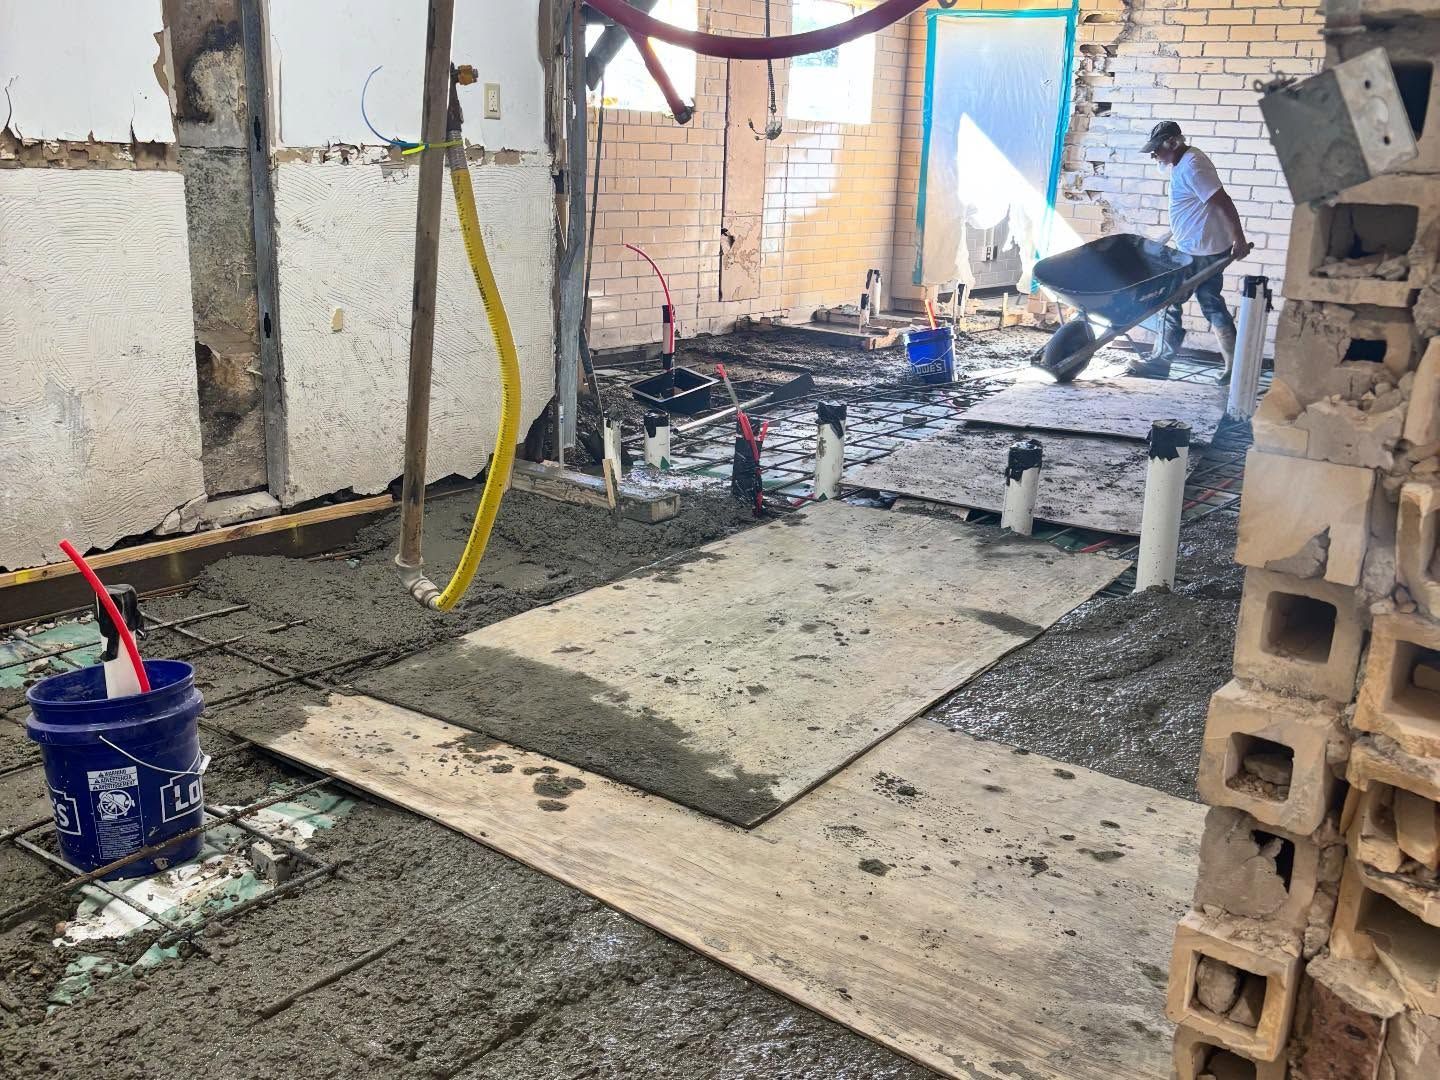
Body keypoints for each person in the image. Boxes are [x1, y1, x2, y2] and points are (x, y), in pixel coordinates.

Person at [1129, 120, 1250, 381]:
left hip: (1198, 251)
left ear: (1173, 142)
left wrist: (1239, 239)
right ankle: (1234, 368)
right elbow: (1195, 206)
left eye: (1157, 149)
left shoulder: (1193, 166)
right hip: (1201, 246)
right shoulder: (1182, 163)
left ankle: (1160, 363)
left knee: (1169, 302)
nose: (1153, 155)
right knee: (1211, 304)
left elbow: (1223, 202)